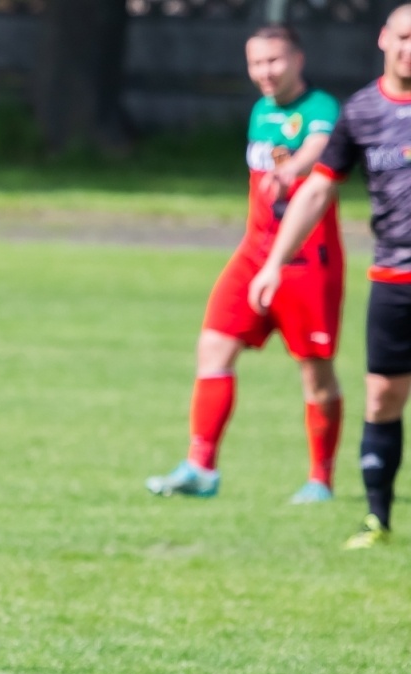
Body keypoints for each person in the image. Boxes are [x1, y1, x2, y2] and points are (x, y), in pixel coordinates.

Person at [147, 25, 345, 503]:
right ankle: (201, 467)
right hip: (253, 253)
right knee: (212, 346)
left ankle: (320, 479)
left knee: (315, 373)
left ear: (298, 58)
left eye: (274, 61)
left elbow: (320, 146)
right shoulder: (260, 111)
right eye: (256, 63)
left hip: (307, 261)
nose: (265, 72)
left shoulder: (321, 109)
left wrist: (294, 168)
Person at [250, 5, 411, 548]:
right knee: (382, 397)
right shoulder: (363, 111)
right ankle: (377, 520)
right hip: (394, 277)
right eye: (405, 36)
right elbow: (318, 189)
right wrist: (274, 261)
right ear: (383, 38)